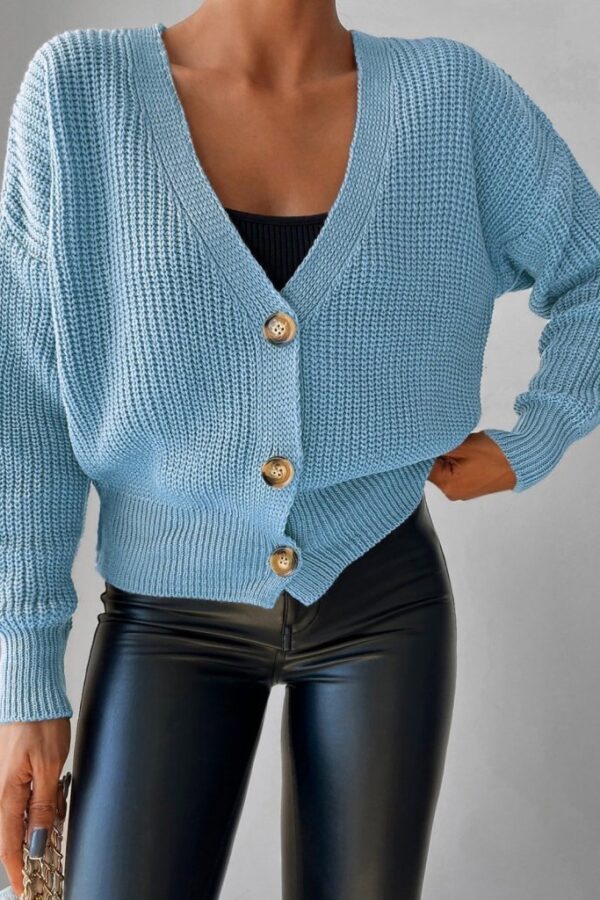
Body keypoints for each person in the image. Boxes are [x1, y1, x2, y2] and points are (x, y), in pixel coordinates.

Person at [1, 2, 600, 898]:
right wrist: (24, 681)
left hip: (384, 602)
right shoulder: (80, 93)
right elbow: (24, 404)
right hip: (165, 617)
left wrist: (538, 435)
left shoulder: (453, 98)